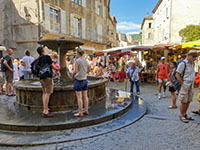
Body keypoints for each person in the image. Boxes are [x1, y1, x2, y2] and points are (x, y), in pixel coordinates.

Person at [37, 47, 59, 117]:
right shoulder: (47, 57)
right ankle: (45, 111)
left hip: (41, 77)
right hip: (47, 76)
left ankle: (46, 108)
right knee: (48, 93)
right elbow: (53, 67)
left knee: (44, 93)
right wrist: (58, 69)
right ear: (43, 51)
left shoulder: (39, 58)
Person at [176, 50, 197, 123]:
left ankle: (185, 114)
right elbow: (177, 74)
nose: (195, 58)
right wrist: (182, 84)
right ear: (188, 55)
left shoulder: (192, 64)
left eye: (195, 56)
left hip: (191, 85)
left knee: (188, 100)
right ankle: (181, 115)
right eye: (193, 56)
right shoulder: (183, 63)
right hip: (185, 84)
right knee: (183, 101)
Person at [73, 48, 89, 117]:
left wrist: (73, 76)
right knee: (85, 96)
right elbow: (89, 69)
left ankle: (80, 112)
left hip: (78, 80)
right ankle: (86, 110)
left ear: (78, 53)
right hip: (85, 80)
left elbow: (75, 71)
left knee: (79, 97)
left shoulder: (77, 61)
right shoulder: (86, 61)